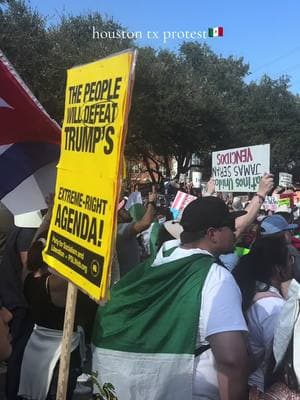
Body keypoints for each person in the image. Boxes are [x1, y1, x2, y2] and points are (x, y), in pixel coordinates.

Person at [92, 196, 250, 400]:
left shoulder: (161, 259)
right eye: (229, 225)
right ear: (212, 234)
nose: (235, 230)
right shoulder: (216, 277)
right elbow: (231, 360)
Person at [233, 235, 294, 394]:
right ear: (277, 269)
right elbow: (279, 356)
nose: (292, 264)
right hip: (260, 387)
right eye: (290, 259)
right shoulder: (274, 307)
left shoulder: (246, 291)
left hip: (241, 382)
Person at [117, 191, 157, 277]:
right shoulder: (120, 229)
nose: (127, 210)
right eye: (123, 210)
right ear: (117, 217)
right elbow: (145, 223)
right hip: (128, 279)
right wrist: (151, 202)